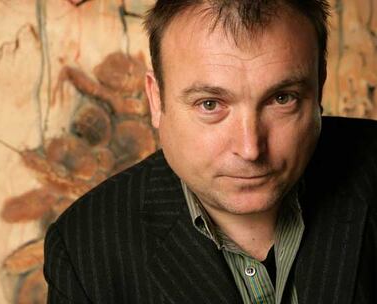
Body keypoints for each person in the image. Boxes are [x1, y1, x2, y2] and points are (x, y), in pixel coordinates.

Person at [44, 0, 377, 303]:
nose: (250, 149)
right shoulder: (84, 249)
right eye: (210, 104)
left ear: (318, 87)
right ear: (156, 100)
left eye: (282, 98)